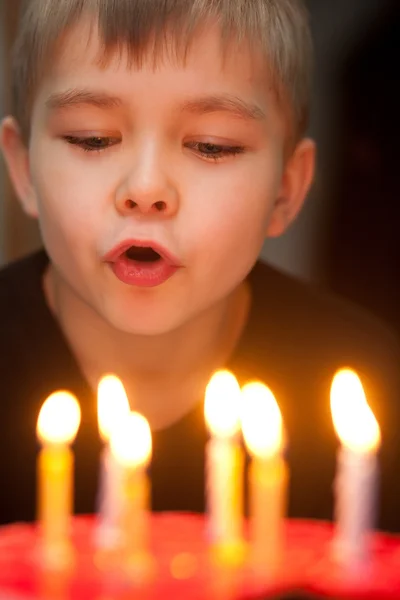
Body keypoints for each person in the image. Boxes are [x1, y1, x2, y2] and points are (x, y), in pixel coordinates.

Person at [0, 0, 399, 534]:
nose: (144, 189)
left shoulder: (374, 390)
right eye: (91, 138)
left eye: (212, 146)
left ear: (286, 188)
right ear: (24, 168)